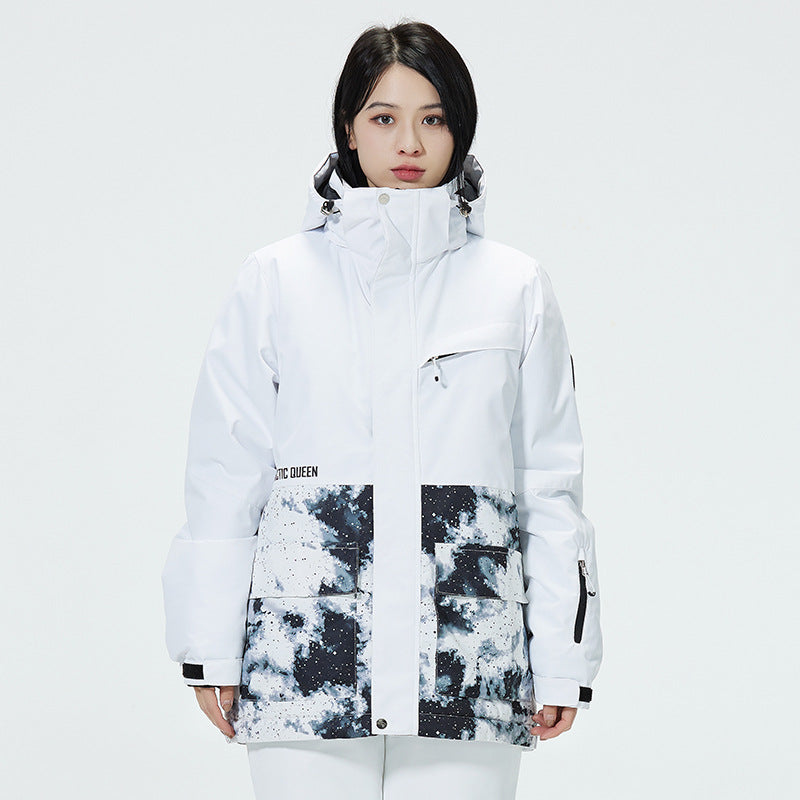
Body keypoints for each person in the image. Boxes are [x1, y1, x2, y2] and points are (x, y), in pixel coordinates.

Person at [161, 19, 603, 800]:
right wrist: (210, 647)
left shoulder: (514, 287)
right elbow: (227, 473)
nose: (409, 142)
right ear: (348, 127)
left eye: (434, 119)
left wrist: (564, 657)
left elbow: (548, 483)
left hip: (468, 654)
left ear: (460, 131)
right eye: (384, 117)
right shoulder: (276, 281)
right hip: (306, 653)